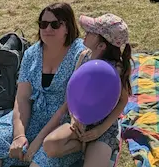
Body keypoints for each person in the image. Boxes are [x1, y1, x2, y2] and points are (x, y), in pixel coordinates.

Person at [0, 3, 85, 167]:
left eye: (55, 24)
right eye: (43, 24)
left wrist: (37, 142)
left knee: (44, 156)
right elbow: (23, 97)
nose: (48, 29)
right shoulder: (32, 53)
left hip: (61, 125)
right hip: (32, 116)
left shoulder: (80, 54)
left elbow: (70, 105)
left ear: (67, 27)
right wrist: (19, 135)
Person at [43, 14, 131, 166]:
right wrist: (73, 118)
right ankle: (79, 147)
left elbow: (123, 100)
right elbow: (72, 91)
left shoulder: (116, 69)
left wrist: (100, 130)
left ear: (102, 46)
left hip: (102, 130)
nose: (86, 33)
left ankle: (93, 148)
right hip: (78, 123)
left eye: (91, 32)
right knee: (49, 145)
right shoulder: (83, 56)